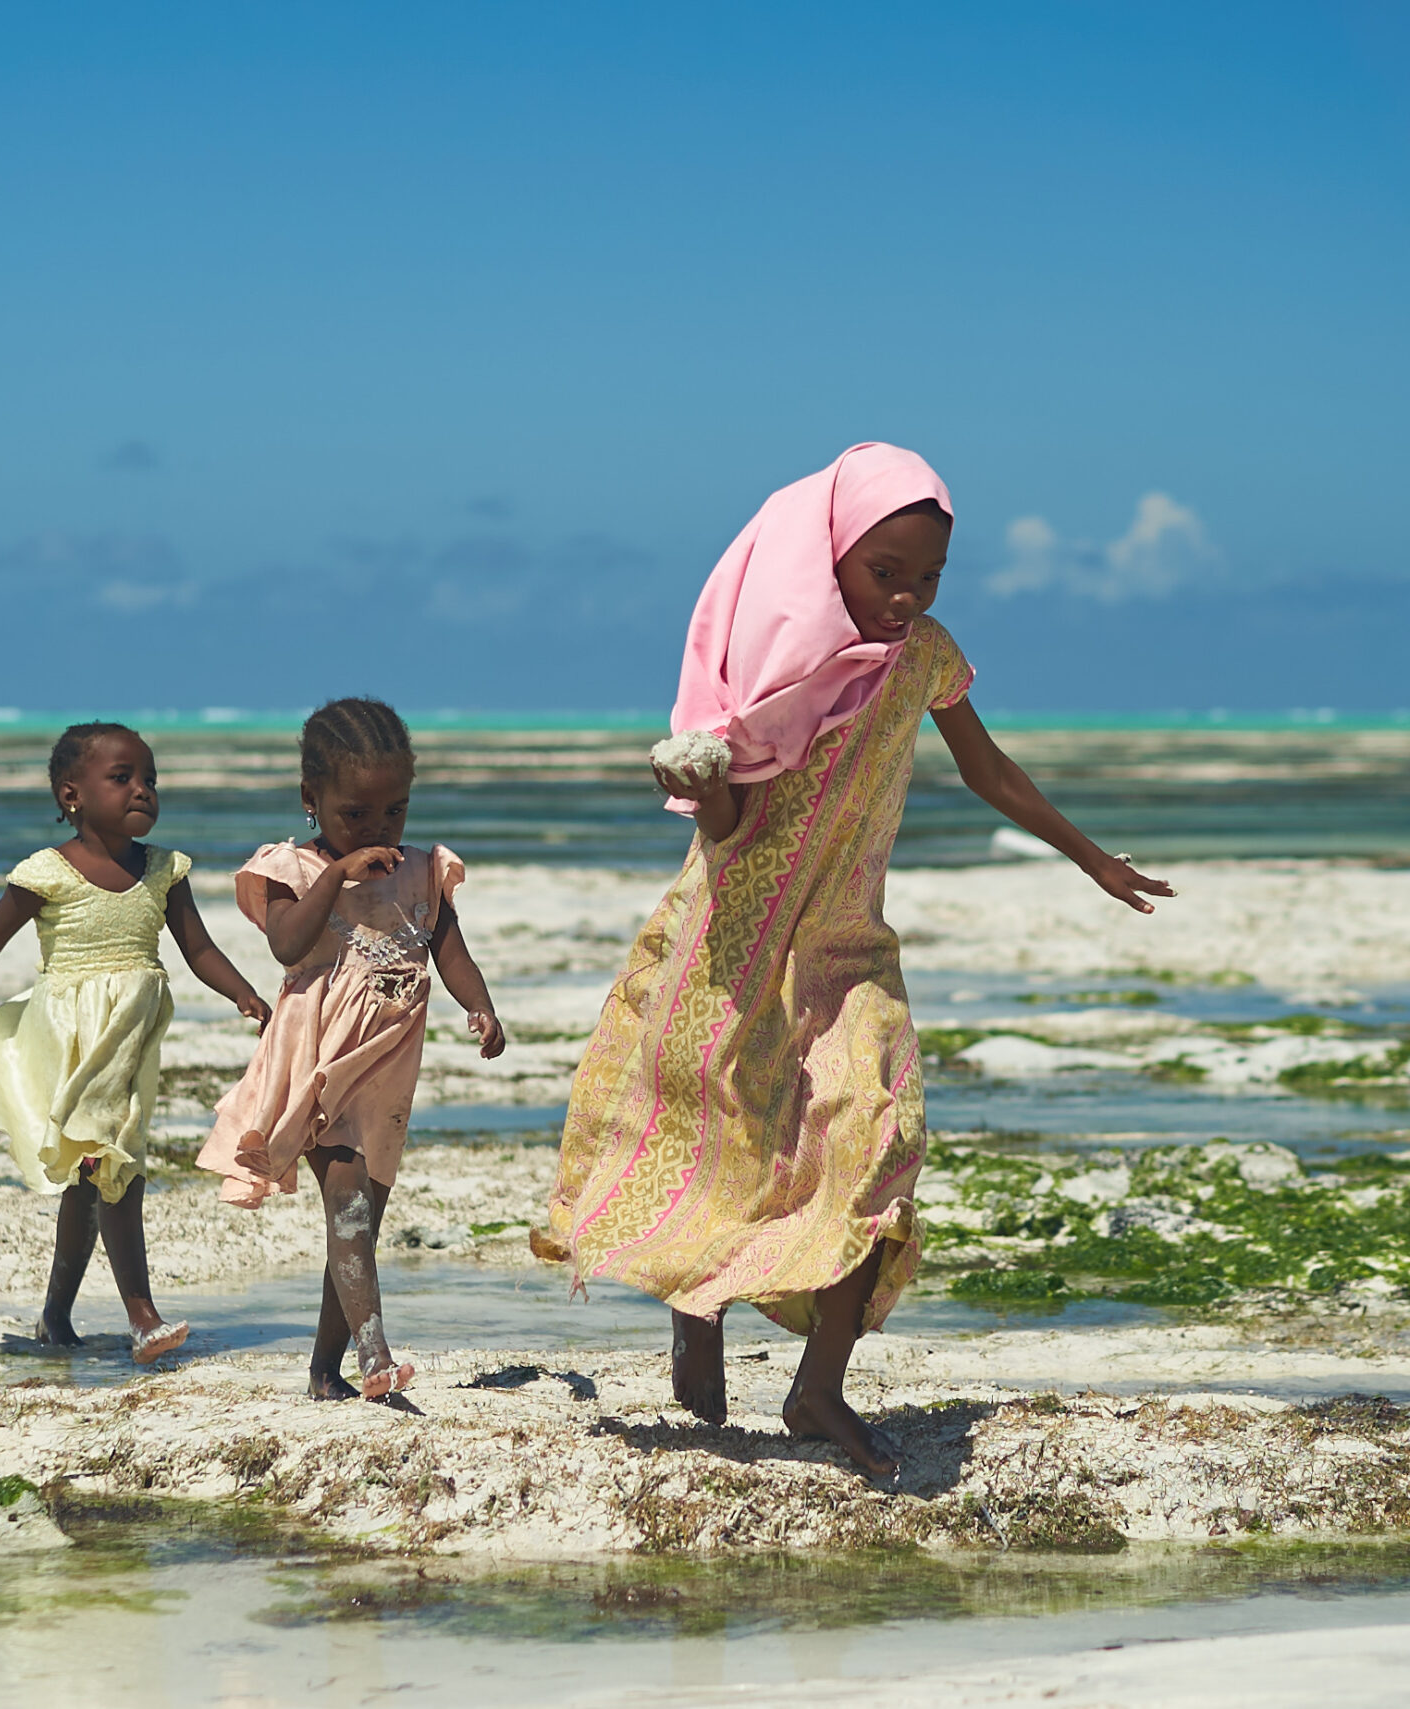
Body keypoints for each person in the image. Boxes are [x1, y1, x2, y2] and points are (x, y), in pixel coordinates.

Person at [547, 444, 1174, 1479]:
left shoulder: (925, 654)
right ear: (831, 553)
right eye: (884, 571)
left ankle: (815, 1387)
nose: (905, 595)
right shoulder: (772, 674)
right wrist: (702, 783)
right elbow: (732, 822)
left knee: (878, 1138)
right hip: (733, 944)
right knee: (718, 1141)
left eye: (926, 576)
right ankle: (696, 1315)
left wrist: (1090, 855)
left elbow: (986, 767)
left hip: (846, 945)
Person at [0, 723, 268, 1363]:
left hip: (130, 1042)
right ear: (71, 794)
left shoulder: (163, 868)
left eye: (150, 779)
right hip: (69, 1042)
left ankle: (55, 1318)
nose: (142, 790)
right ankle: (142, 1315)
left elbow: (200, 948)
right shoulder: (46, 873)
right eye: (123, 778)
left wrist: (243, 994)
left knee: (92, 1177)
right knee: (116, 1164)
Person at [199, 697, 506, 1401]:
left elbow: (447, 948)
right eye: (355, 815)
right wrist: (337, 875)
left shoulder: (420, 871)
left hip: (386, 1069)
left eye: (393, 811)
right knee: (347, 1207)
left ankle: (323, 1369)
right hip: (317, 1065)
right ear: (312, 800)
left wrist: (481, 1007)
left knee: (360, 1221)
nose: (377, 830)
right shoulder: (295, 871)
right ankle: (376, 1356)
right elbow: (287, 944)